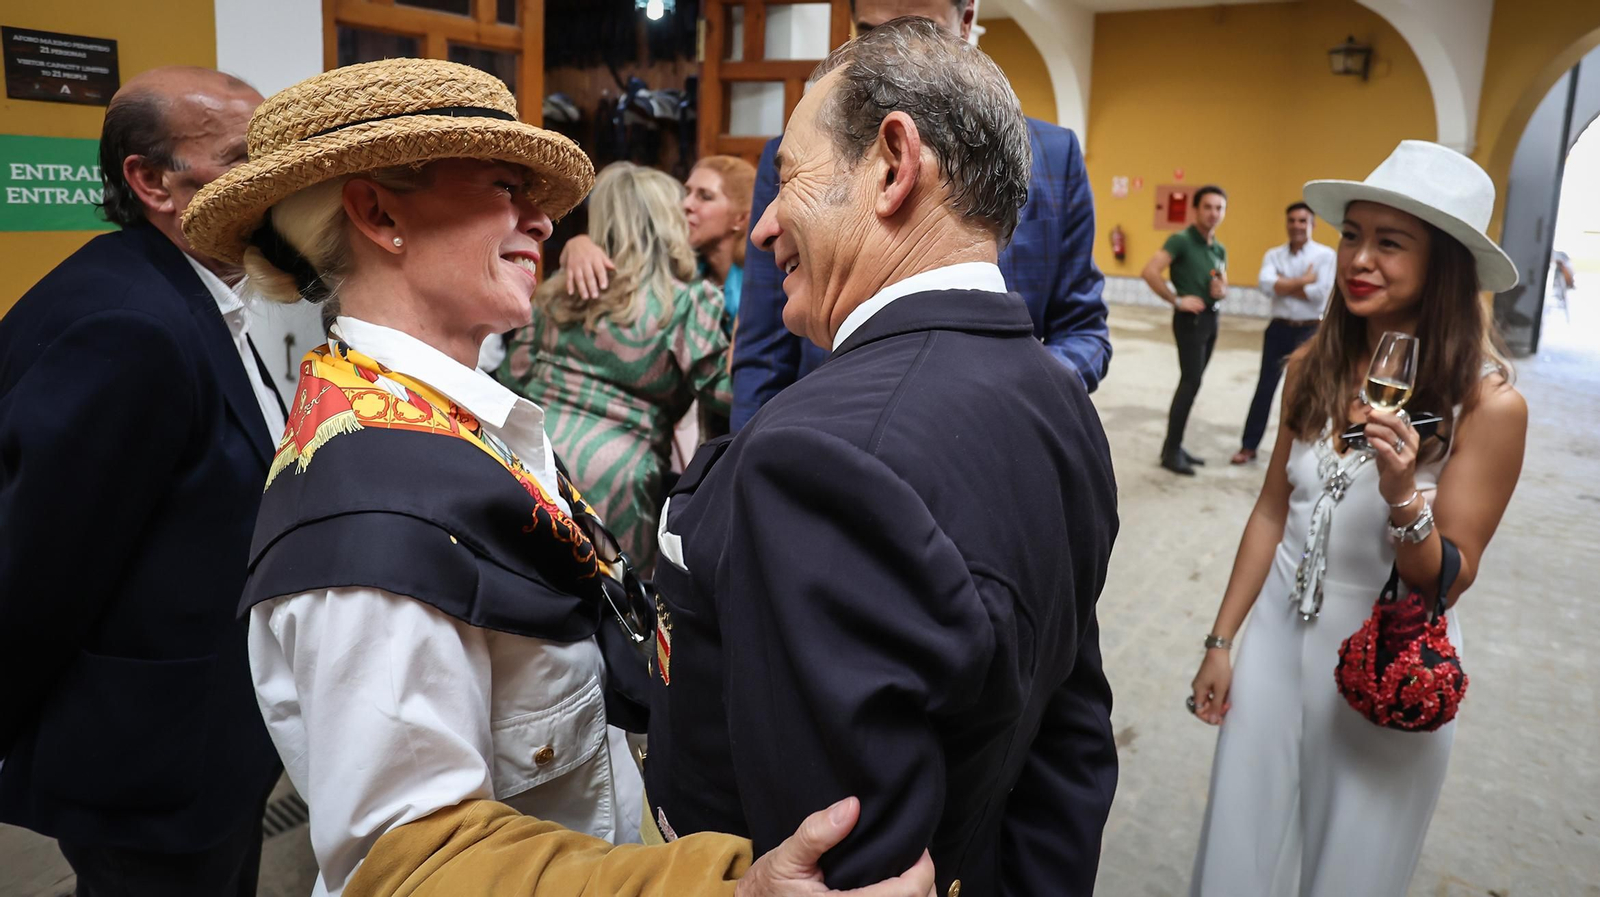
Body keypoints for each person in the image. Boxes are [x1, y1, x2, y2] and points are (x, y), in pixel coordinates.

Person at [180, 57, 930, 897]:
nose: (543, 221)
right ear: (378, 209)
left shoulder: (438, 425)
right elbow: (413, 866)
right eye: (506, 187)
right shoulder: (372, 508)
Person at [645, 19, 1118, 897]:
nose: (764, 227)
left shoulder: (814, 457)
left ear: (894, 166)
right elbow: (1071, 738)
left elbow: (838, 859)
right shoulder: (1058, 400)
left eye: (788, 179)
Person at [1186, 141, 1527, 896]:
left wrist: (1405, 491)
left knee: (1353, 875)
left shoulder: (1490, 404)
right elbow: (1272, 510)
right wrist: (1222, 639)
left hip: (1385, 666)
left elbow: (1447, 579)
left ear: (1443, 265)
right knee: (1234, 861)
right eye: (1352, 235)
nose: (1359, 259)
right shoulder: (1310, 366)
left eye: (1389, 242)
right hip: (1275, 646)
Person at [0, 67, 284, 897]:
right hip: (152, 770)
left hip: (205, 750)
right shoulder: (129, 323)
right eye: (242, 160)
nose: (271, 185)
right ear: (152, 181)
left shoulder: (186, 289)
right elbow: (39, 570)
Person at [728, 0, 1112, 431]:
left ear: (966, 24)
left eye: (915, 30)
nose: (887, 51)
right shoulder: (795, 157)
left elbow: (1085, 331)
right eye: (872, 31)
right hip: (818, 440)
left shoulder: (1052, 156)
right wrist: (739, 472)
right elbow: (764, 351)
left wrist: (1012, 394)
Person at [500, 161, 731, 573]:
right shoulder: (687, 302)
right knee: (614, 609)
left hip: (530, 457)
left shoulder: (557, 290)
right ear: (668, 221)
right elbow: (724, 391)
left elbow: (514, 376)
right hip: (622, 477)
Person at [558, 154, 755, 331]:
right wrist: (578, 244)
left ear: (740, 219)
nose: (686, 204)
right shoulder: (676, 263)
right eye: (687, 193)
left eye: (705, 197)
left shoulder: (759, 285)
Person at [1231, 202, 1336, 465]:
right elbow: (1265, 286)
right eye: (1292, 220)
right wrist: (1303, 281)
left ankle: (1304, 453)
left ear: (1312, 225)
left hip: (1310, 330)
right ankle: (1249, 446)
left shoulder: (1325, 256)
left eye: (1302, 221)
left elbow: (1320, 295)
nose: (1297, 226)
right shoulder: (1273, 255)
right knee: (1265, 388)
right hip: (1278, 329)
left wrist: (1283, 284)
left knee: (1308, 391)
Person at [1143, 184, 1229, 475]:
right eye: (1208, 207)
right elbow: (1150, 271)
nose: (1213, 213)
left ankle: (1175, 446)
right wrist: (1177, 300)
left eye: (1219, 208)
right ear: (1196, 210)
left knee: (1194, 384)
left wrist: (1222, 290)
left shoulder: (1218, 248)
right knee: (1189, 383)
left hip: (1211, 320)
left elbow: (1221, 283)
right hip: (1190, 322)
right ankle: (1171, 452)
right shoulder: (1181, 240)